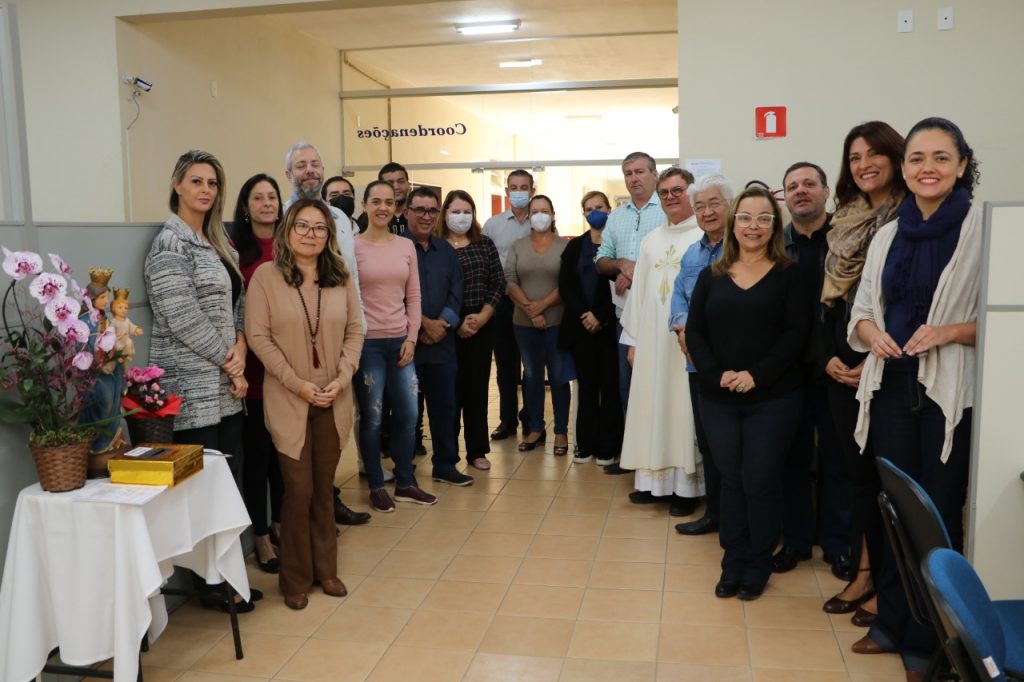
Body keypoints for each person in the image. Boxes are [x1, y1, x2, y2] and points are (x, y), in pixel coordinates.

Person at [848, 118, 981, 681]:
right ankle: (893, 623)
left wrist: (949, 331)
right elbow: (859, 315)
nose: (928, 167)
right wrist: (868, 335)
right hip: (891, 384)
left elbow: (1004, 319)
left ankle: (934, 642)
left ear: (961, 165)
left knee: (938, 514)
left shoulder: (982, 227)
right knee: (897, 509)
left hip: (947, 392)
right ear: (905, 169)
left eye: (941, 157)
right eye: (918, 158)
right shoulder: (889, 232)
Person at [145, 149, 258, 612]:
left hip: (225, 387)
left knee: (226, 484)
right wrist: (231, 362)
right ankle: (206, 584)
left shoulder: (219, 242)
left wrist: (241, 347)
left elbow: (239, 302)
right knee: (199, 491)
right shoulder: (168, 244)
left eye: (212, 183)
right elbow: (181, 317)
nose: (206, 190)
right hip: (191, 387)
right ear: (177, 186)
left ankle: (224, 575)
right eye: (196, 181)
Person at [686, 185, 810, 601]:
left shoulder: (790, 275)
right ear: (733, 221)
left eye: (763, 218)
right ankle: (732, 561)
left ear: (774, 226)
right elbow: (696, 332)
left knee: (760, 480)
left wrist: (755, 375)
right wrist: (717, 372)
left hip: (772, 398)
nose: (753, 226)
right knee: (731, 481)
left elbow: (796, 335)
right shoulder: (710, 276)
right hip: (718, 396)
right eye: (745, 217)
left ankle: (757, 563)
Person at [246, 199, 364, 610]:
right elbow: (258, 337)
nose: (310, 234)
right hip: (288, 397)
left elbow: (355, 331)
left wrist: (342, 377)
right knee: (297, 489)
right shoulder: (265, 277)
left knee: (324, 489)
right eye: (302, 226)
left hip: (334, 395)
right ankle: (295, 577)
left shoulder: (341, 277)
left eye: (319, 228)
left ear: (329, 236)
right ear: (287, 230)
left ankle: (326, 571)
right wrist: (298, 385)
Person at [819, 121, 906, 626]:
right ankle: (866, 570)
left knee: (885, 481)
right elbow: (828, 303)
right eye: (854, 157)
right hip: (840, 365)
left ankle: (890, 583)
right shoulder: (844, 219)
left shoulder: (910, 217)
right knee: (855, 476)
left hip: (887, 363)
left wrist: (866, 356)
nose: (864, 164)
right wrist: (831, 358)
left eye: (874, 154)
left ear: (894, 158)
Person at [772, 162, 850, 576]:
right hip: (788, 372)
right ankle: (797, 541)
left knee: (838, 458)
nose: (800, 191)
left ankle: (837, 544)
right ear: (783, 197)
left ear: (825, 192)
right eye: (792, 187)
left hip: (838, 367)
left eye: (808, 184)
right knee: (792, 458)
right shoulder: (775, 245)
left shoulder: (846, 239)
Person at [619, 168, 702, 517]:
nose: (671, 197)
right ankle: (653, 484)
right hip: (652, 343)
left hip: (684, 344)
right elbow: (638, 295)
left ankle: (686, 489)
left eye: (678, 190)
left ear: (692, 194)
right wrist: (633, 340)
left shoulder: (704, 236)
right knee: (651, 408)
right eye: (665, 191)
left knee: (680, 411)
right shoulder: (651, 239)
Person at [354, 180, 435, 512]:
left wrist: (412, 338)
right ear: (365, 205)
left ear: (397, 208)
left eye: (389, 202)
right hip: (367, 345)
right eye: (376, 201)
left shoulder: (405, 246)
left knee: (408, 414)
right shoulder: (353, 247)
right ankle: (376, 484)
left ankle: (406, 482)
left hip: (401, 342)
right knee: (372, 417)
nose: (382, 207)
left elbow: (413, 296)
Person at [669, 173, 735, 536]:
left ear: (729, 205)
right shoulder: (692, 253)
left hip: (735, 363)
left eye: (714, 203)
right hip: (698, 364)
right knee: (708, 440)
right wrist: (682, 328)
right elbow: (680, 295)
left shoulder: (742, 248)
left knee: (736, 446)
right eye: (700, 206)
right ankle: (716, 514)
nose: (707, 212)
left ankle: (740, 519)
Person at [596, 152, 666, 474]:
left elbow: (674, 257)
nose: (633, 178)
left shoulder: (668, 210)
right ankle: (636, 457)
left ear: (654, 174)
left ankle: (661, 460)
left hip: (662, 317)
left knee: (659, 388)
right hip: (626, 318)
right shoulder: (618, 216)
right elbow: (602, 260)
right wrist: (622, 265)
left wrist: (640, 271)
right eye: (628, 173)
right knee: (628, 388)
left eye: (639, 172)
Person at [230, 173, 285, 574]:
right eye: (258, 197)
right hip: (252, 363)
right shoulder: (235, 251)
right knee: (258, 456)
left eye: (272, 197)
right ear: (245, 207)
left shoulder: (292, 244)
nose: (267, 203)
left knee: (285, 455)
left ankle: (283, 524)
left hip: (290, 364)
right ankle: (261, 537)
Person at [403, 186, 471, 486]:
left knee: (445, 409)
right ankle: (405, 473)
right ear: (406, 213)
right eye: (420, 210)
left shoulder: (446, 250)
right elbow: (392, 297)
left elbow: (458, 291)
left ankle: (445, 465)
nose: (426, 216)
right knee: (407, 414)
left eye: (432, 210)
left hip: (443, 345)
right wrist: (422, 325)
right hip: (407, 346)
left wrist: (442, 323)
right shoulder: (397, 249)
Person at [438, 190, 505, 471]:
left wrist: (482, 316)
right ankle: (448, 455)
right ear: (445, 214)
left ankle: (477, 451)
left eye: (467, 212)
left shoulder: (484, 244)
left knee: (476, 392)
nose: (461, 217)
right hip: (445, 329)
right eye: (456, 211)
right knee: (448, 395)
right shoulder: (436, 246)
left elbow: (498, 282)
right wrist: (455, 323)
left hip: (481, 324)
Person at [558, 190, 622, 467]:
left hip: (608, 326)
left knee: (610, 385)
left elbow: (622, 286)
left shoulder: (617, 245)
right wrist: (584, 314)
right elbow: (566, 285)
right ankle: (585, 445)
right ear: (582, 213)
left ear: (609, 209)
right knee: (586, 386)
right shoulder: (574, 247)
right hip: (580, 326)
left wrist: (600, 316)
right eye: (588, 208)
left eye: (599, 206)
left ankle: (608, 447)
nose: (594, 211)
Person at [504, 194, 571, 455]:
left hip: (557, 322)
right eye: (535, 211)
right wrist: (531, 312)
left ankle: (562, 432)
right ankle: (535, 427)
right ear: (529, 216)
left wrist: (541, 307)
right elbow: (510, 280)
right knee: (531, 377)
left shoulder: (564, 247)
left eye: (545, 210)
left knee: (558, 377)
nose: (540, 215)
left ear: (553, 215)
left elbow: (566, 283)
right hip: (523, 323)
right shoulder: (518, 245)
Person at [482, 169, 534, 441]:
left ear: (532, 190)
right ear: (506, 191)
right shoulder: (493, 225)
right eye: (514, 186)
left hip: (533, 302)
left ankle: (531, 418)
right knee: (505, 367)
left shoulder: (540, 222)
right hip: (502, 303)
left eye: (524, 186)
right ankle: (507, 420)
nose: (519, 191)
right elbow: (487, 265)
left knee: (532, 365)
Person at [81, 267, 125, 454]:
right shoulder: (83, 320)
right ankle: (98, 445)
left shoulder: (102, 317)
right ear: (91, 298)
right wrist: (98, 355)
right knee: (103, 401)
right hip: (94, 371)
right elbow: (83, 344)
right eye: (102, 298)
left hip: (110, 370)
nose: (106, 302)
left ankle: (110, 443)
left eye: (107, 297)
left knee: (113, 403)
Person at [356, 162, 410, 235]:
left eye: (401, 181)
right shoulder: (367, 218)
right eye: (390, 183)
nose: (396, 187)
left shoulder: (416, 214)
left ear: (408, 184)